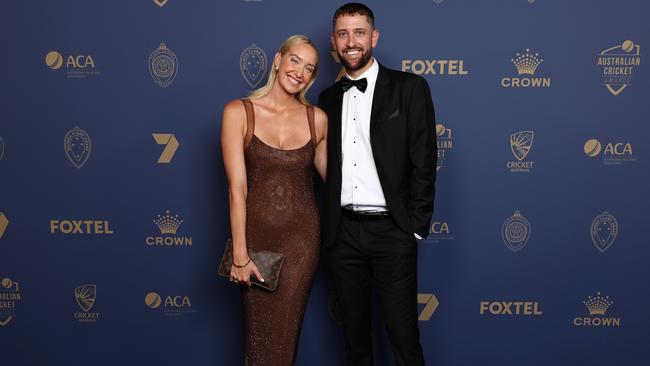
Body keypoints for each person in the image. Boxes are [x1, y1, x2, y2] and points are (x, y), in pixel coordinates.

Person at [318, 3, 436, 365]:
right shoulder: (326, 99)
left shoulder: (410, 88)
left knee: (403, 336)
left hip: (392, 231)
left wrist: (414, 227)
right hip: (344, 235)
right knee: (354, 339)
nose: (350, 41)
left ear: (374, 37)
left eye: (358, 32)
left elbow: (424, 161)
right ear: (333, 42)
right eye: (343, 34)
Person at [221, 35, 328, 365]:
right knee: (258, 338)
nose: (300, 71)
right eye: (295, 60)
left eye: (309, 68)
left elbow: (338, 185)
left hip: (301, 241)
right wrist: (240, 253)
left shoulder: (317, 119)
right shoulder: (239, 112)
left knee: (284, 338)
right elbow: (237, 188)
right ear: (277, 59)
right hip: (255, 242)